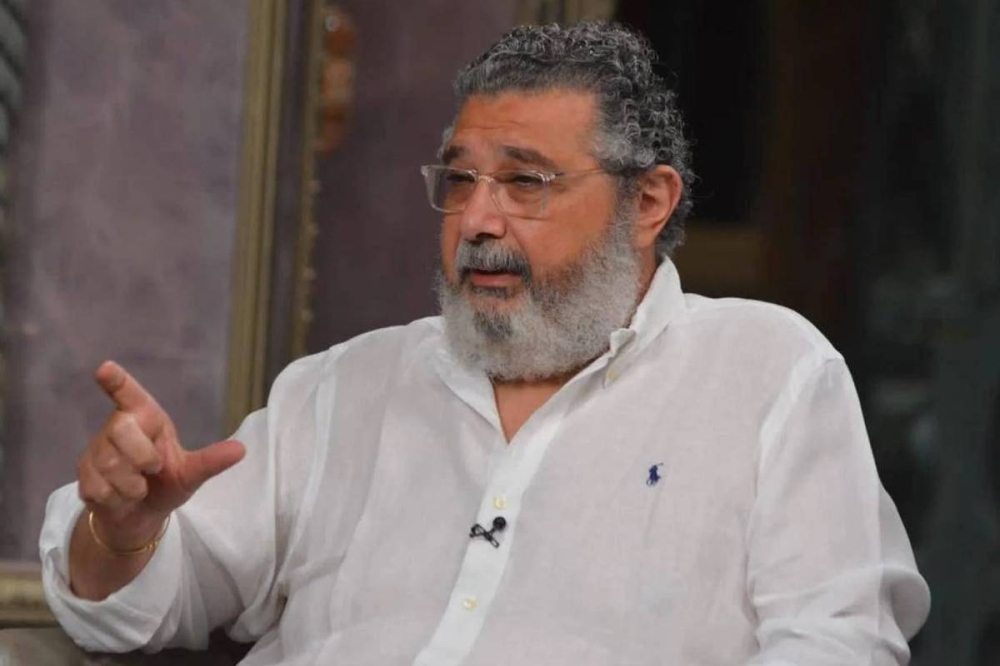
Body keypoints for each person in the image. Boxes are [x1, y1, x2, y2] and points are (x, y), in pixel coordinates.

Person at [39, 21, 930, 666]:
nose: (476, 221)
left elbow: (837, 643)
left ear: (649, 202)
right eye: (460, 181)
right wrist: (124, 532)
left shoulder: (766, 373)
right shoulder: (346, 386)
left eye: (524, 183)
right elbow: (137, 608)